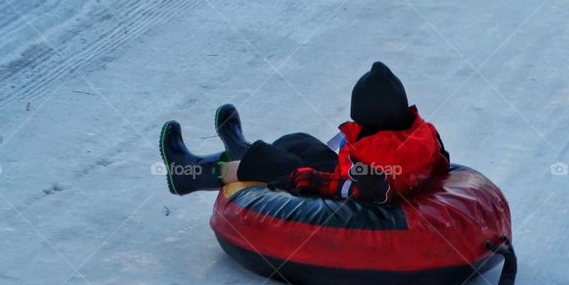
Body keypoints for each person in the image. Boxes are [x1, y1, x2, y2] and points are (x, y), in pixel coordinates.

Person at [157, 62, 449, 203]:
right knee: (300, 142)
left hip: (347, 189)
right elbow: (440, 163)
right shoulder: (422, 135)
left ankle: (191, 174)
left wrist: (304, 177)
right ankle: (241, 148)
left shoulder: (372, 163)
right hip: (355, 172)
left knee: (275, 164)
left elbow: (351, 188)